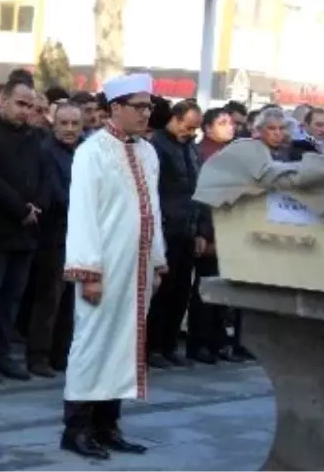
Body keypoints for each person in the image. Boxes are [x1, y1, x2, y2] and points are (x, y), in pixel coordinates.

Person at [60, 73, 167, 461]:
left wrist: (156, 259)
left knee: (125, 344)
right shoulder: (93, 151)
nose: (146, 113)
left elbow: (152, 210)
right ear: (116, 108)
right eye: (138, 106)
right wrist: (88, 271)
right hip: (104, 267)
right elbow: (83, 214)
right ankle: (76, 429)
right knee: (93, 342)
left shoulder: (148, 152)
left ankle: (108, 425)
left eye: (149, 106)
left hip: (135, 267)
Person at [0, 79, 52, 383]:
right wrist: (21, 208)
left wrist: (38, 207)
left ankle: (3, 355)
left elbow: (45, 177)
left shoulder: (34, 137)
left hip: (28, 231)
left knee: (12, 299)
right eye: (20, 104)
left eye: (30, 106)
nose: (26, 111)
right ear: (1, 101)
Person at [146, 101, 213, 367]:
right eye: (188, 127)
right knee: (161, 292)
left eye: (196, 129)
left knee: (180, 292)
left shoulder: (192, 151)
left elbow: (198, 192)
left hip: (187, 229)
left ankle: (169, 345)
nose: (191, 133)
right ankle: (151, 347)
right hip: (164, 230)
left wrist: (200, 231)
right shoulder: (156, 147)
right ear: (174, 119)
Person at [24, 100, 83, 377]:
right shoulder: (45, 151)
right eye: (64, 123)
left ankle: (61, 354)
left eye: (75, 124)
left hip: (80, 235)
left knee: (72, 300)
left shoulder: (85, 152)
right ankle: (39, 355)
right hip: (54, 235)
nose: (70, 129)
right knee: (49, 298)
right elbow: (55, 193)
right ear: (54, 123)